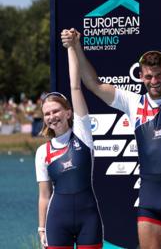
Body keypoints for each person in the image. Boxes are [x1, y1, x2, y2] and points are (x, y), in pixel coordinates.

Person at [61, 26, 161, 248]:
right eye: (148, 76)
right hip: (149, 199)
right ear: (141, 76)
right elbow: (94, 84)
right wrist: (77, 47)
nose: (154, 80)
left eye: (158, 75)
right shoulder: (134, 103)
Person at [35, 33, 103, 248]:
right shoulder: (42, 152)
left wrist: (71, 47)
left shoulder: (83, 135)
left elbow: (75, 87)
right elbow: (44, 196)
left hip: (88, 220)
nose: (51, 117)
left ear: (68, 113)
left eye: (56, 111)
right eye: (47, 114)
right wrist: (41, 228)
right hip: (57, 221)